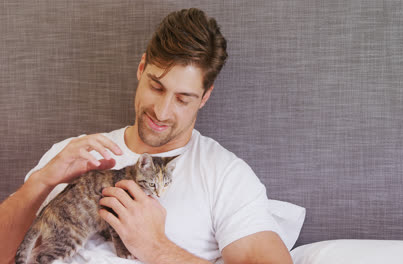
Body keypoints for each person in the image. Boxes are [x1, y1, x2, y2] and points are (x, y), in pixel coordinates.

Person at [0, 8, 293, 264]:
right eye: (156, 86)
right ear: (141, 69)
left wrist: (157, 248)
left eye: (183, 99)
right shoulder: (71, 153)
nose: (162, 112)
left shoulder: (225, 176)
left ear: (204, 98)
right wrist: (41, 181)